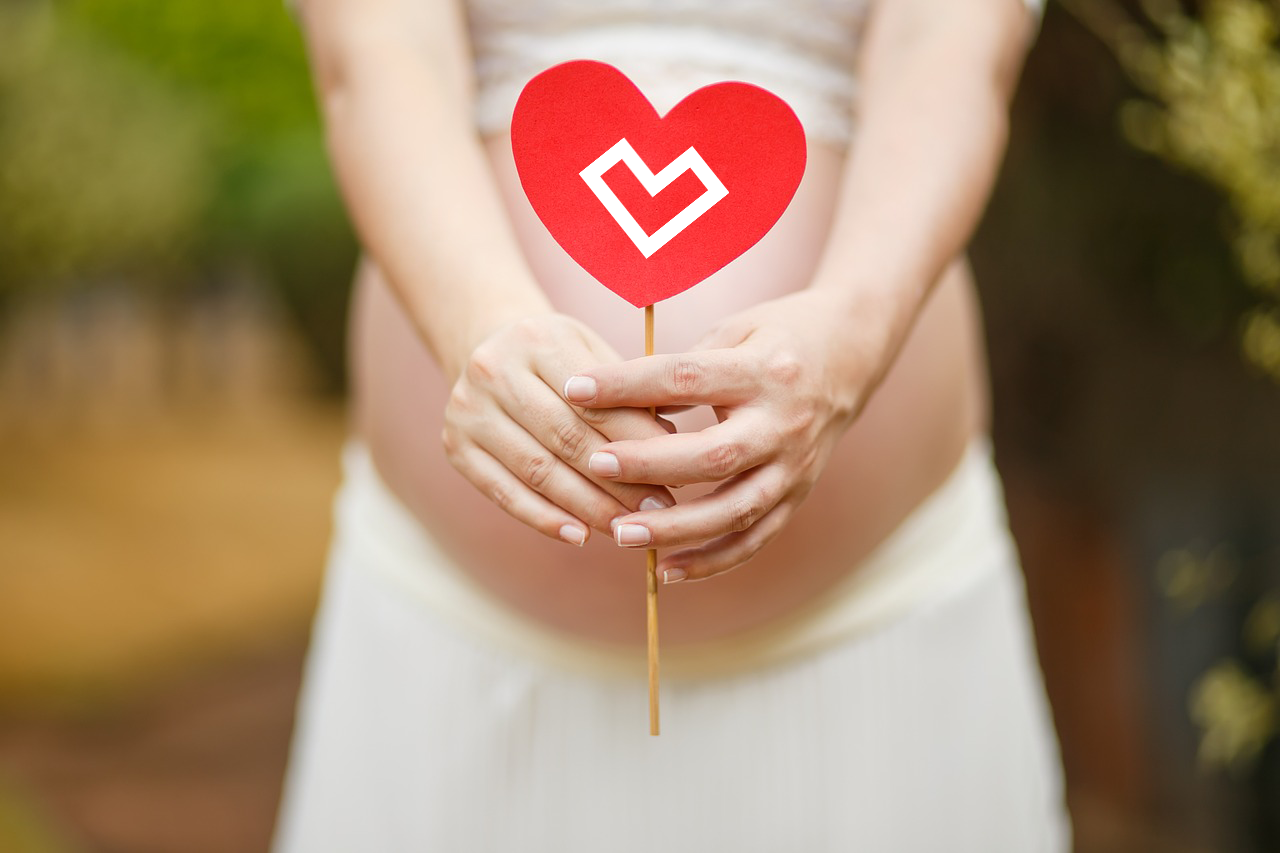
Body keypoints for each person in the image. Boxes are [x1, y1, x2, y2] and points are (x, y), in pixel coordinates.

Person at [276, 0, 1071, 849]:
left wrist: (854, 326)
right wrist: (477, 321)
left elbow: (950, 52)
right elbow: (377, 56)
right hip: (454, 635)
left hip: (879, 630)